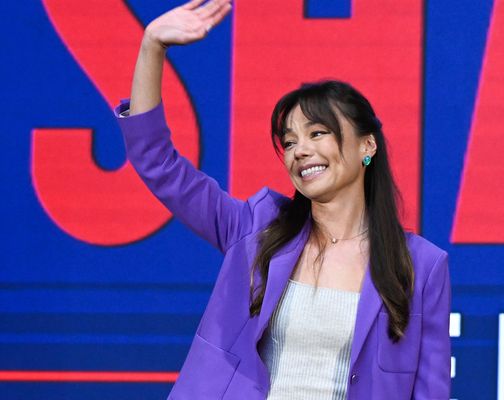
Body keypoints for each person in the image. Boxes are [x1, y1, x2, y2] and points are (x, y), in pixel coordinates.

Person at [116, 0, 450, 398]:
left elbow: (430, 392)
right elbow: (157, 162)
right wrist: (152, 45)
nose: (300, 150)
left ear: (368, 145)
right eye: (289, 142)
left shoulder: (420, 267)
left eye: (318, 133)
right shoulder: (256, 231)